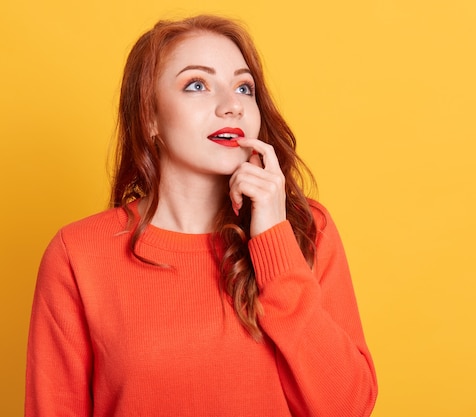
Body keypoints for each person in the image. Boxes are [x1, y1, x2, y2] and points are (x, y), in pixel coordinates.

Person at [25, 14, 377, 417]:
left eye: (244, 88)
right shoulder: (78, 254)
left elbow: (349, 406)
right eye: (197, 85)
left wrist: (274, 243)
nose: (232, 106)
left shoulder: (306, 230)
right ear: (150, 116)